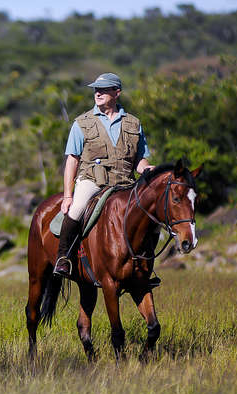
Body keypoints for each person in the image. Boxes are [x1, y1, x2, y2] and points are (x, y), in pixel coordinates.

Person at [54, 72, 155, 278]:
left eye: (103, 89)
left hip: (125, 182)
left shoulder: (134, 124)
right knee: (77, 209)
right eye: (96, 90)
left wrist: (148, 170)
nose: (97, 93)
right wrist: (67, 195)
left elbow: (139, 161)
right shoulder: (81, 123)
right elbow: (72, 160)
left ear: (116, 93)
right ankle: (63, 258)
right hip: (92, 180)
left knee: (150, 215)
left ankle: (145, 267)